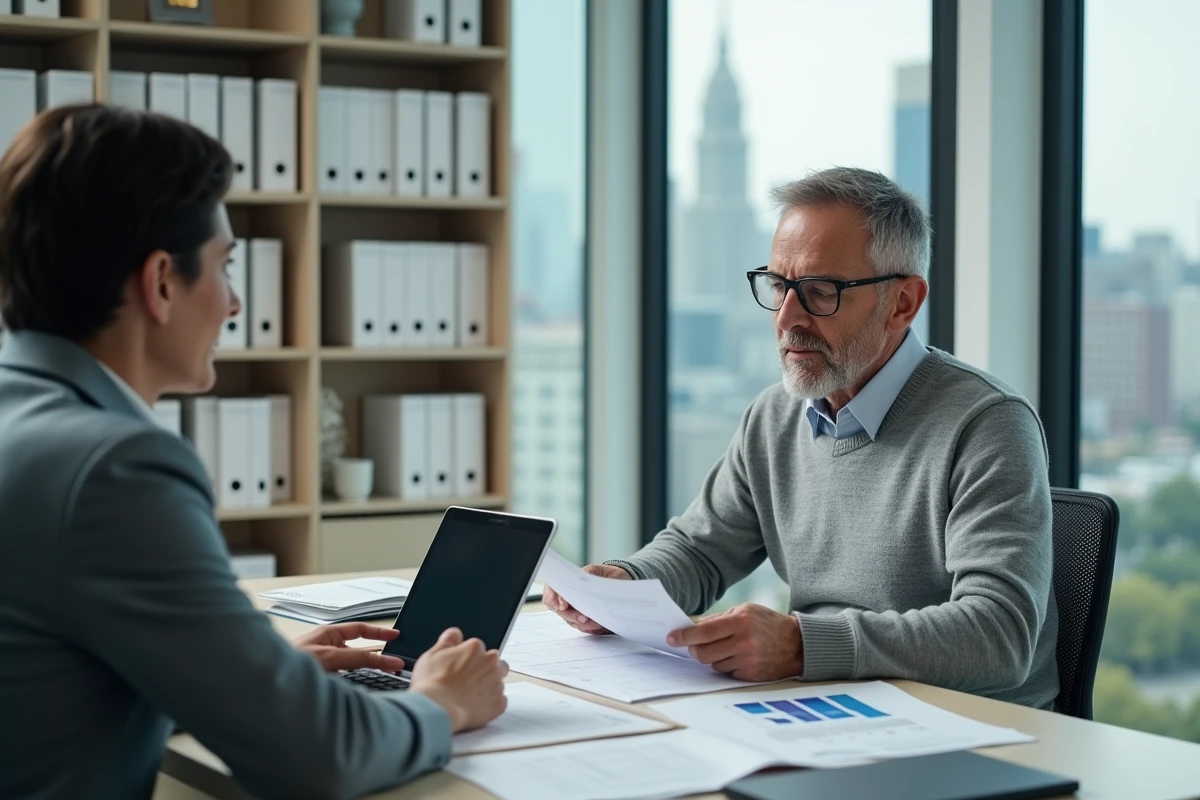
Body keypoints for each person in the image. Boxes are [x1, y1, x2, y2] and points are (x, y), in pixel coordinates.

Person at [0, 105, 507, 800]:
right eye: (223, 266)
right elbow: (320, 758)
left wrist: (251, 676)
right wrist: (443, 702)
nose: (234, 303)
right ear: (161, 282)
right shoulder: (114, 469)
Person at [545, 167, 1059, 710]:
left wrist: (800, 645)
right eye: (778, 286)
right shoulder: (775, 416)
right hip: (827, 709)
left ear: (903, 303)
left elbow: (998, 635)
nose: (788, 318)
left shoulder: (988, 424)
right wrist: (624, 582)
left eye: (820, 292)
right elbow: (699, 551)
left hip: (973, 734)